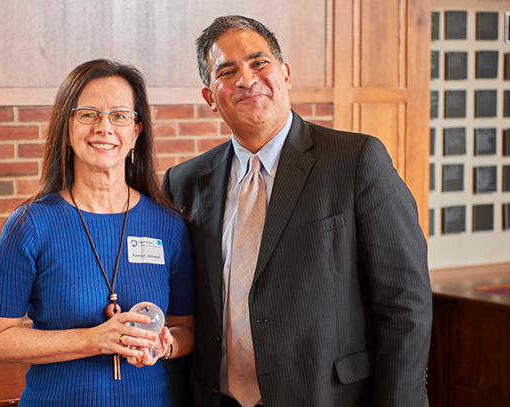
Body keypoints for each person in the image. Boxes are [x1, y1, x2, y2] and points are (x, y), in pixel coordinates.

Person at [163, 15, 432, 407]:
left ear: (285, 74)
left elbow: (406, 306)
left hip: (328, 397)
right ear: (209, 97)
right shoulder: (184, 182)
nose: (247, 79)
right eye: (227, 71)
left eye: (259, 63)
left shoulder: (355, 161)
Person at [0, 59, 194, 407]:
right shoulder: (30, 225)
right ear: (66, 128)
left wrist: (163, 345)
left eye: (120, 115)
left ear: (136, 131)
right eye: (88, 114)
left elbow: (186, 327)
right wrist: (95, 340)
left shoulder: (168, 225)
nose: (104, 127)